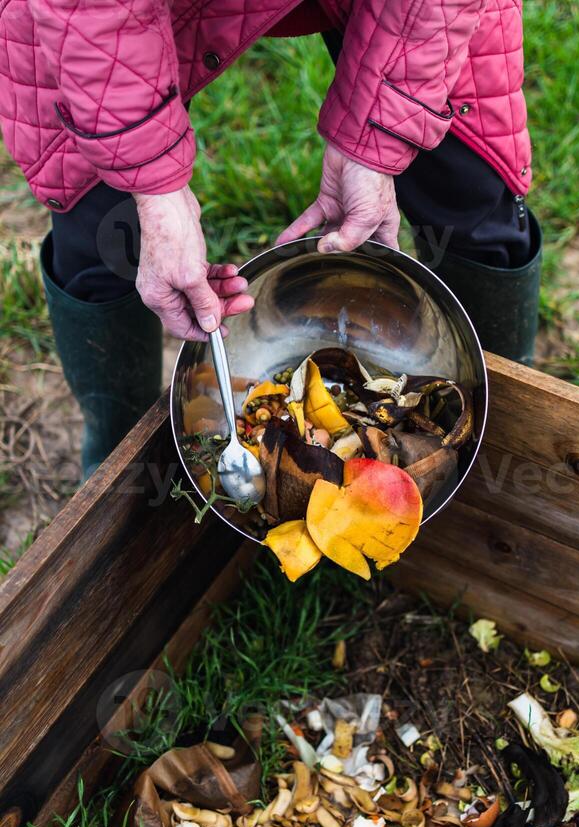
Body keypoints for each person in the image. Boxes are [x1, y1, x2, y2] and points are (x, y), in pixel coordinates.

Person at [0, 0, 541, 478]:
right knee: (99, 224)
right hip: (103, 23)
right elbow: (91, 15)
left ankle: (490, 447)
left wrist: (378, 143)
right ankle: (120, 469)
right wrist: (152, 185)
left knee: (472, 184)